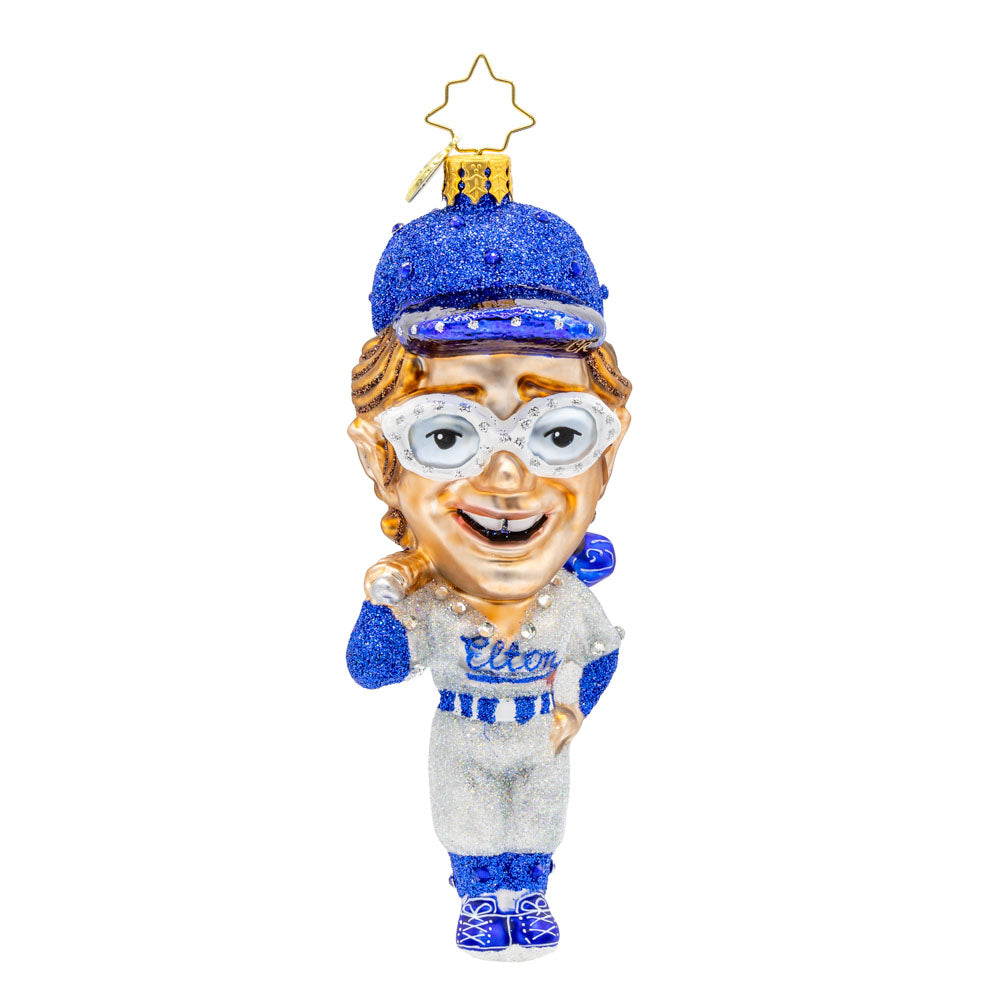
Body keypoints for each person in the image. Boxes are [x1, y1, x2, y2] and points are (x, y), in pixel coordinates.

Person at [346, 151, 631, 960]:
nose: (508, 478)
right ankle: (479, 898)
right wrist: (380, 603)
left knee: (540, 817)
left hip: (537, 734)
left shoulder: (568, 601)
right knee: (468, 818)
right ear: (379, 459)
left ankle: (529, 892)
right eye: (446, 436)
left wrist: (574, 708)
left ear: (608, 454)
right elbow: (372, 670)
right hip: (465, 734)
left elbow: (601, 653)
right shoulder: (433, 599)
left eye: (559, 432)